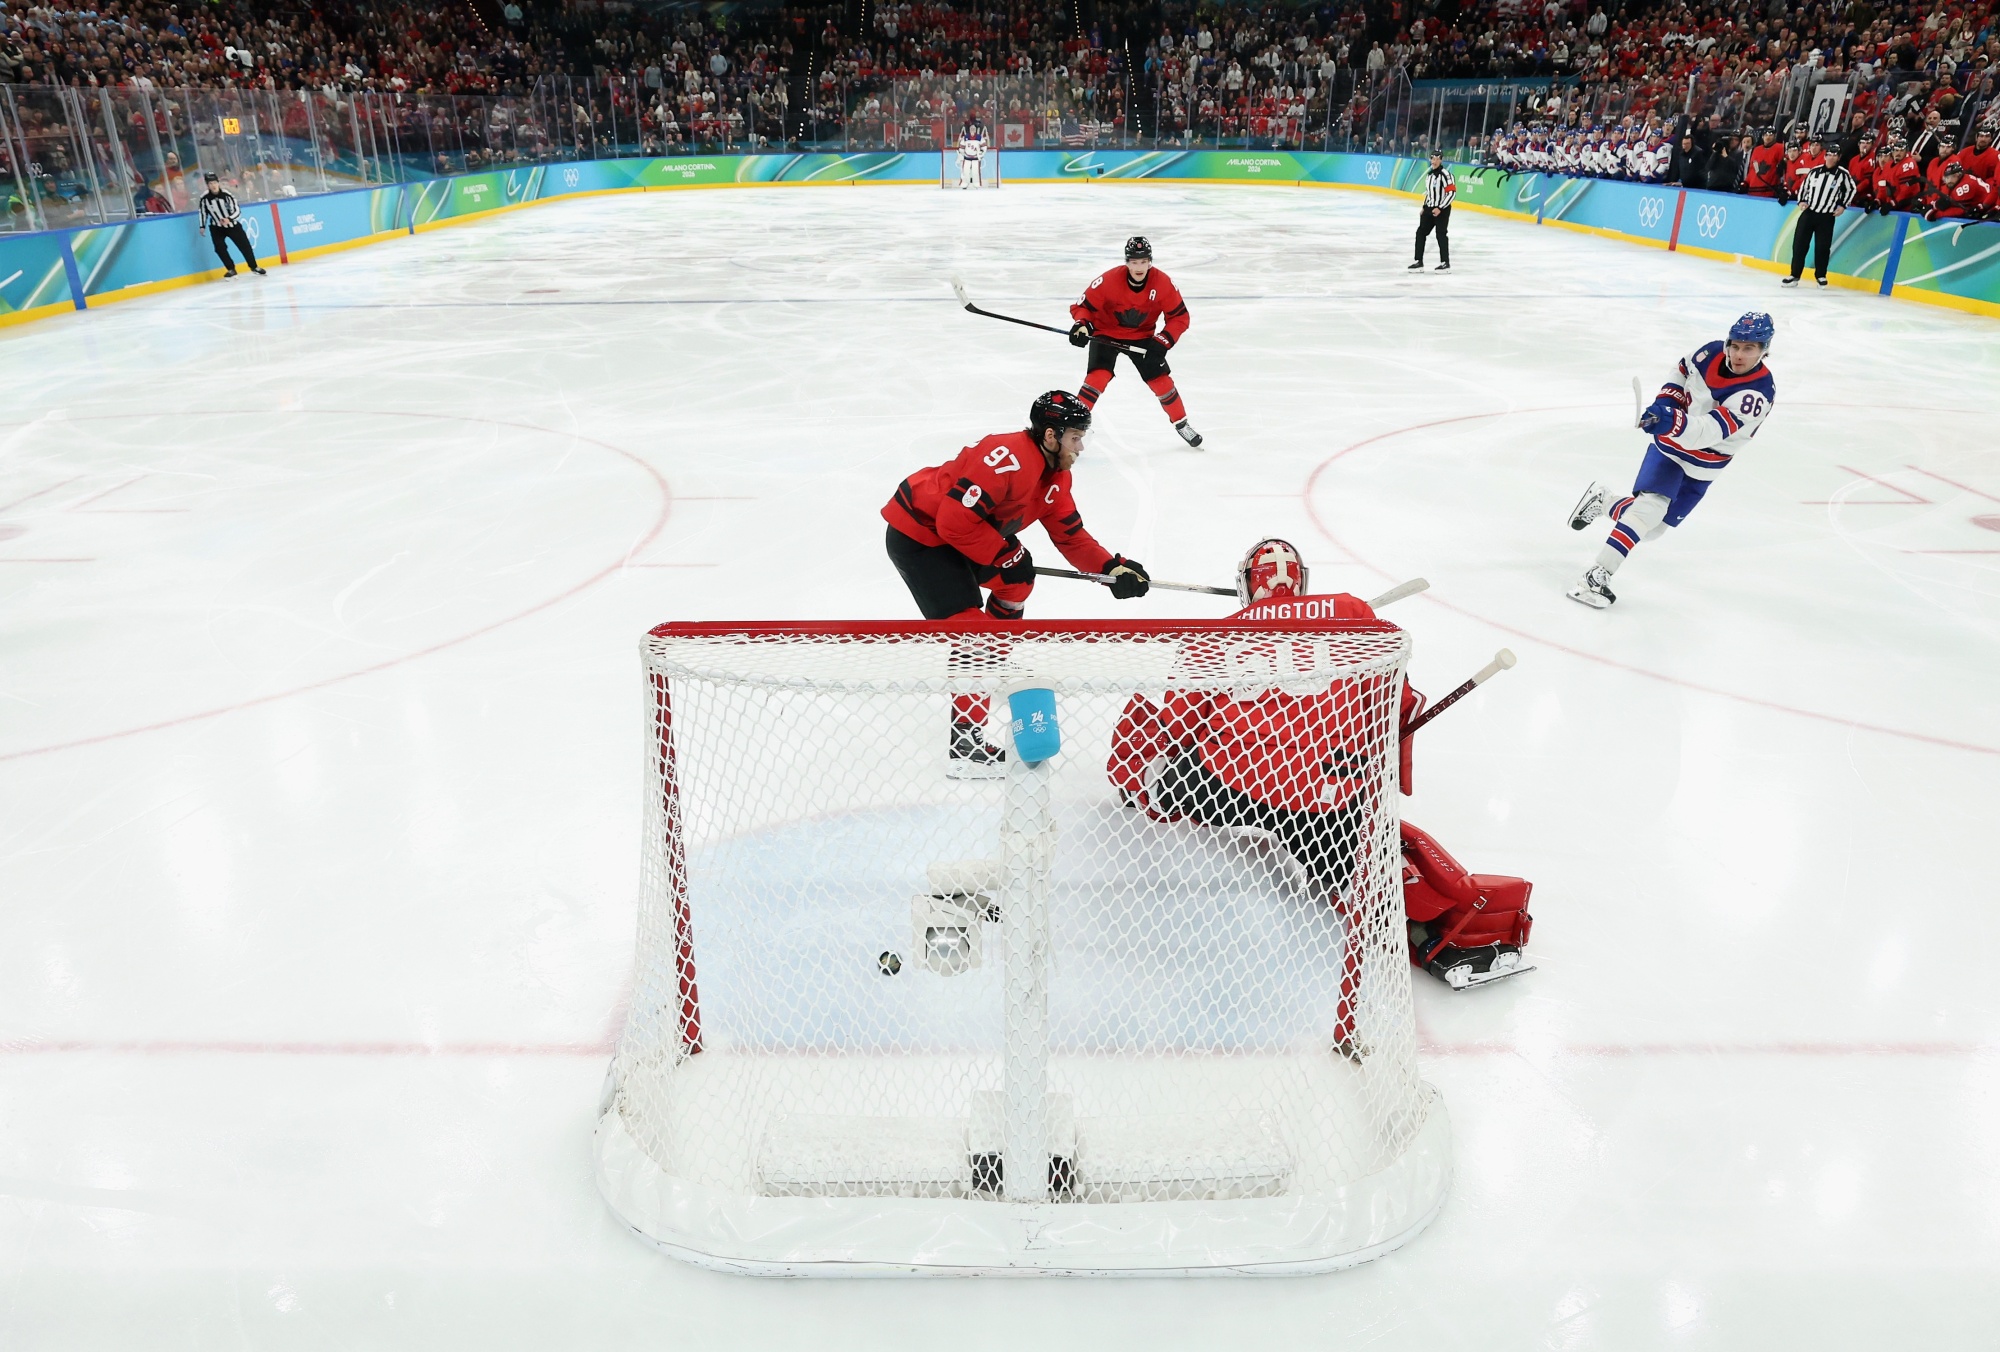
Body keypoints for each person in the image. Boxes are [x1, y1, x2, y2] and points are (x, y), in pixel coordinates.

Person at [1105, 539, 1534, 1004]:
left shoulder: (1218, 635)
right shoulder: (1353, 617)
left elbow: (1177, 721)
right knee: (1362, 837)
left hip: (1224, 792)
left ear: (1247, 586)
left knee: (1151, 732)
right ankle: (1427, 918)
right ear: (1302, 581)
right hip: (1320, 801)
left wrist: (1158, 776)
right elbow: (1399, 707)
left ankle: (1138, 787)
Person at [882, 390, 1151, 776]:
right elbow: (952, 523)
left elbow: (1070, 536)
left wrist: (1111, 568)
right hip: (921, 538)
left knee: (1016, 587)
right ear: (1050, 436)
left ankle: (989, 657)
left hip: (965, 536)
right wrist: (1005, 554)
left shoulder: (1055, 476)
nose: (1081, 446)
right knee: (973, 634)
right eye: (1075, 436)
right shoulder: (1005, 458)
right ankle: (965, 739)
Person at [1564, 312, 1777, 608]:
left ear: (1764, 350)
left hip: (1706, 461)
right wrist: (1666, 404)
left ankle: (1605, 501)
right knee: (1647, 511)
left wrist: (1670, 420)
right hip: (1672, 448)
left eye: (1749, 348)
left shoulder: (1757, 394)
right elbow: (1681, 371)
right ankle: (1596, 576)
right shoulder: (1709, 353)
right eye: (1736, 345)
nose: (1739, 354)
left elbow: (1708, 433)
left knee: (1653, 529)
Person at [1068, 236, 1202, 448]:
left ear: (1150, 262)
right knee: (1097, 378)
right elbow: (1083, 306)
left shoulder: (1163, 283)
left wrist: (1162, 341)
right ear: (1126, 262)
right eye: (1134, 262)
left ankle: (1182, 424)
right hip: (1106, 333)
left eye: (1143, 261)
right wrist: (1081, 325)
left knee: (1161, 381)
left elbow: (1180, 318)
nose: (1139, 267)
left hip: (1142, 338)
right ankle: (1071, 428)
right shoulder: (1109, 280)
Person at [1783, 156, 1857, 287]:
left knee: (1822, 247)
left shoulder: (1842, 174)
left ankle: (1821, 275)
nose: (1831, 157)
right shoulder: (1815, 171)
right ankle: (1794, 275)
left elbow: (1851, 189)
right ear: (1825, 156)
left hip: (1826, 216)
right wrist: (1801, 201)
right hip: (1809, 213)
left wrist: (1843, 205)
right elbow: (1804, 187)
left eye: (1835, 155)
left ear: (1839, 157)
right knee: (1799, 244)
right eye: (1829, 154)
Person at [195, 171, 264, 277]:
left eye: (214, 183)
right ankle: (231, 268)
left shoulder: (227, 195)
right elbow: (203, 212)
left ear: (218, 183)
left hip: (233, 226)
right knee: (219, 248)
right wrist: (202, 226)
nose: (213, 185)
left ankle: (254, 266)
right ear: (207, 185)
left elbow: (237, 210)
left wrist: (229, 219)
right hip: (216, 227)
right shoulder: (204, 198)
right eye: (210, 184)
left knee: (245, 246)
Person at [1410, 150, 1454, 272]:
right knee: (1420, 232)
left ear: (1441, 160)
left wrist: (1440, 207)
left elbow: (1451, 193)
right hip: (1429, 208)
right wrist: (1424, 207)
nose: (1434, 161)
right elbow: (1429, 194)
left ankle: (1445, 263)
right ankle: (1418, 261)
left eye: (1436, 159)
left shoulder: (1446, 175)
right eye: (1432, 159)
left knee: (1441, 235)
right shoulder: (1429, 175)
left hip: (1442, 210)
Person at [1745, 128, 1786, 196]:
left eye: (1770, 135)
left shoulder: (1780, 148)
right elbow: (1752, 170)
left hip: (1768, 191)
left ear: (1775, 136)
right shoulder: (1756, 149)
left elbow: (1783, 169)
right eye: (1766, 135)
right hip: (1752, 191)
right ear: (1762, 136)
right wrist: (1745, 183)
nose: (1768, 137)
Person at [954, 121, 987, 188]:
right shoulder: (965, 137)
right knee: (965, 171)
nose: (972, 130)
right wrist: (961, 153)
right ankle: (965, 183)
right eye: (971, 129)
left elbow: (984, 146)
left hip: (975, 158)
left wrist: (981, 152)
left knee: (976, 171)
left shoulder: (979, 137)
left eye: (973, 129)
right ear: (969, 130)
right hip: (967, 157)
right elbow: (962, 146)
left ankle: (976, 183)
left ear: (975, 130)